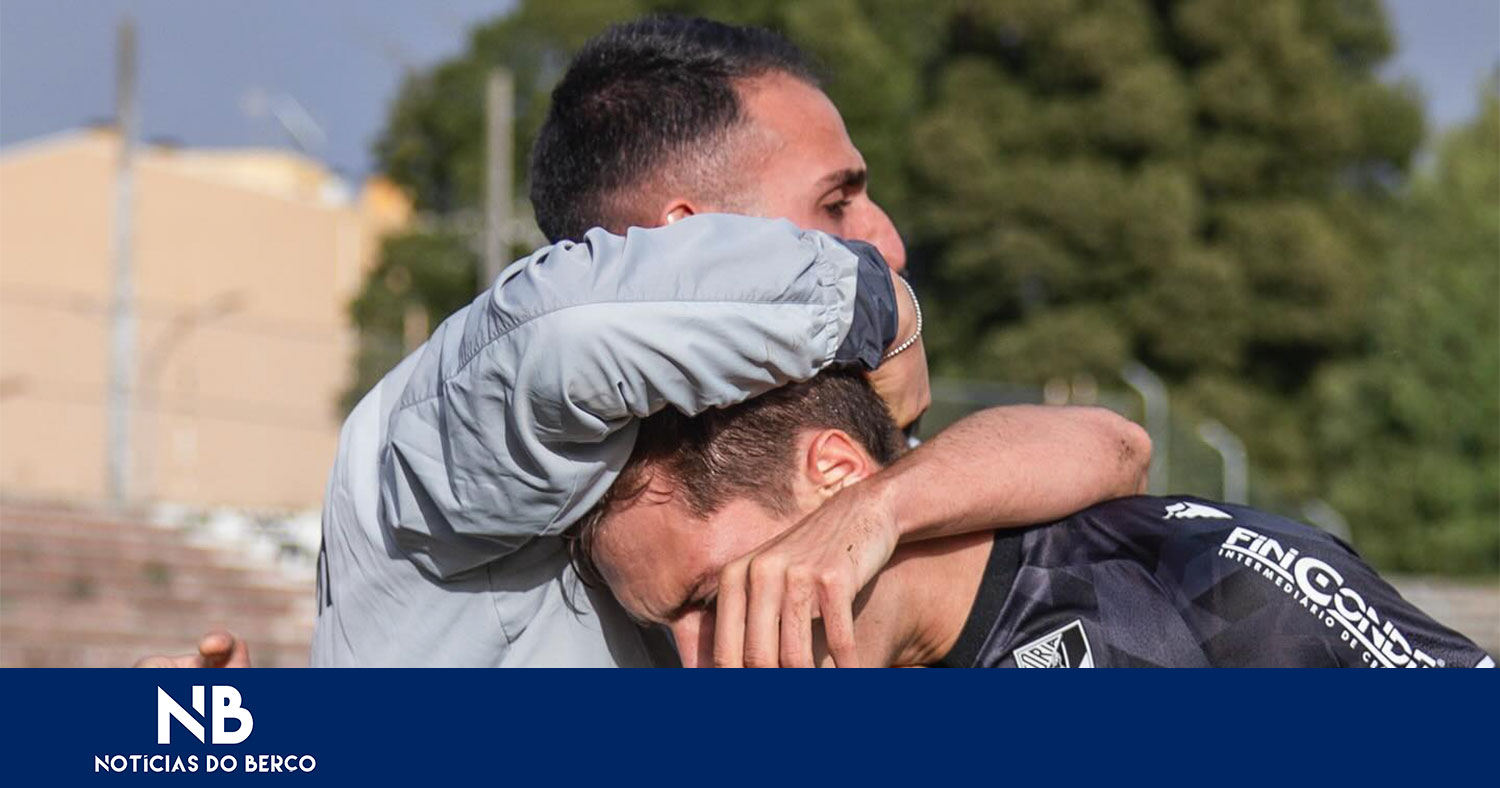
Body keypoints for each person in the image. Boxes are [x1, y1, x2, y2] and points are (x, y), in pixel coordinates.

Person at [141, 17, 1151, 668]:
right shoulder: (476, 444)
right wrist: (873, 305)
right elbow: (575, 333)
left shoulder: (769, 436)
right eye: (837, 202)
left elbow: (1112, 448)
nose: (884, 241)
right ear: (685, 246)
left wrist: (885, 504)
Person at [576, 370, 1493, 668]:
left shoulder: (1220, 588)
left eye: (707, 595)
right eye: (669, 628)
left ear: (837, 481)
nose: (697, 658)